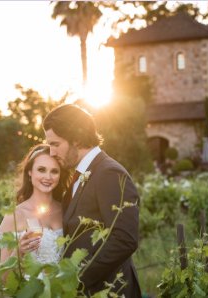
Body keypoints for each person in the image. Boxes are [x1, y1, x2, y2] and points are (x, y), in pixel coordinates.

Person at [43, 104, 141, 297]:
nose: (52, 152)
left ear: (77, 139)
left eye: (55, 144)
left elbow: (124, 239)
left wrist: (77, 281)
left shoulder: (109, 172)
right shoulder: (80, 175)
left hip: (110, 290)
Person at [0, 144, 69, 264]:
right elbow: (3, 278)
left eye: (54, 171)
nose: (48, 177)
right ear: (30, 172)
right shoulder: (14, 217)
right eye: (41, 170)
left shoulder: (67, 211)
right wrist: (19, 251)